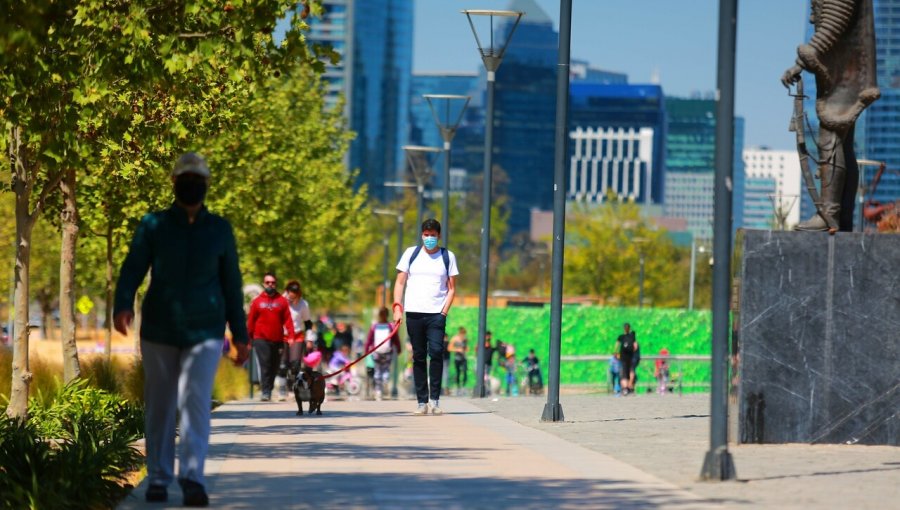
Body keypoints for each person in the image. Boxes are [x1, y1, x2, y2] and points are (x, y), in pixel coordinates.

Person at [113, 152, 249, 506]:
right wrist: (122, 304)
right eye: (186, 178)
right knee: (160, 402)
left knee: (195, 402)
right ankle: (157, 477)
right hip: (159, 327)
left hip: (205, 329)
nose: (192, 184)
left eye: (198, 179)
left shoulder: (220, 229)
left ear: (206, 185)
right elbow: (132, 267)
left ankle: (192, 479)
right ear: (174, 182)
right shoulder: (153, 225)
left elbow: (231, 283)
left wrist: (241, 333)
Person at [781, 0, 879, 231]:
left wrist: (800, 63)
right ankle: (841, 216)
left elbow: (834, 23)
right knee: (843, 146)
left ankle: (829, 214)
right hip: (847, 71)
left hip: (845, 75)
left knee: (831, 139)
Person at [392, 218, 459, 415]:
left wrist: (443, 312)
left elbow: (452, 288)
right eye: (426, 235)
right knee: (419, 356)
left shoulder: (448, 256)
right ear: (422, 235)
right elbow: (399, 283)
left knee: (437, 353)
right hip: (413, 313)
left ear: (439, 236)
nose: (429, 238)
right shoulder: (411, 254)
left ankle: (435, 400)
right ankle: (422, 402)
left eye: (433, 235)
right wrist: (397, 307)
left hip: (436, 315)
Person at [247, 272, 294, 402]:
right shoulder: (257, 302)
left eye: (273, 282)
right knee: (265, 363)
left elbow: (288, 319)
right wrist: (248, 338)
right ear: (264, 284)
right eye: (268, 282)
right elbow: (251, 321)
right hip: (260, 338)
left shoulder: (282, 301)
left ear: (276, 284)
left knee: (275, 365)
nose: (270, 285)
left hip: (277, 339)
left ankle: (269, 388)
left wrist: (291, 335)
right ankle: (265, 391)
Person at [275, 280, 312, 401]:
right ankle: (281, 388)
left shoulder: (303, 304)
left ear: (298, 293)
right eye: (290, 291)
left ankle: (292, 388)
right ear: (287, 290)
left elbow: (308, 323)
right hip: (282, 335)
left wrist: (310, 338)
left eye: (294, 292)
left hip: (297, 335)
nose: (291, 295)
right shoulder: (280, 301)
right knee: (282, 364)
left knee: (295, 364)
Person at [364, 307, 401, 401]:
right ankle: (385, 381)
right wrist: (398, 348)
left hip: (376, 352)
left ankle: (378, 391)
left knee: (377, 370)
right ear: (388, 315)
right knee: (386, 370)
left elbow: (369, 340)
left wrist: (366, 350)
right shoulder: (390, 326)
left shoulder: (374, 326)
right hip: (388, 352)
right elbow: (396, 339)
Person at [615, 323, 638, 396]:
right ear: (629, 328)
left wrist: (616, 353)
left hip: (623, 358)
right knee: (631, 371)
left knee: (624, 373)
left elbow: (616, 346)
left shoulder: (621, 337)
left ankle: (625, 389)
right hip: (630, 357)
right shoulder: (632, 337)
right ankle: (630, 387)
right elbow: (635, 346)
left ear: (624, 328)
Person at [448, 327, 468, 395]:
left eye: (464, 334)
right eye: (462, 334)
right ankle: (458, 387)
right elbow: (449, 348)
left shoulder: (465, 339)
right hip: (457, 358)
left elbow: (466, 348)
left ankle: (463, 386)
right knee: (458, 372)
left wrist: (465, 349)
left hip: (464, 358)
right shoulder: (454, 339)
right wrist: (457, 349)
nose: (463, 335)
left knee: (465, 371)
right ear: (459, 333)